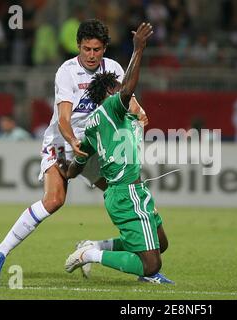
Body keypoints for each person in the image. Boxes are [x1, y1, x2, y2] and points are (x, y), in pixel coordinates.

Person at [0, 19, 148, 280]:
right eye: (86, 49)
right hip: (63, 145)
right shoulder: (67, 71)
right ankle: (0, 252)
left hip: (95, 146)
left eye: (96, 49)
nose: (91, 55)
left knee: (126, 197)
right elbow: (63, 118)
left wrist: (139, 112)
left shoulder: (114, 68)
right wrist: (72, 141)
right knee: (54, 201)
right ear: (78, 47)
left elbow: (127, 98)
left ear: (104, 47)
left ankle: (123, 258)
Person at [63, 22, 174, 284]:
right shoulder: (112, 106)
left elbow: (79, 163)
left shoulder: (93, 126)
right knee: (151, 264)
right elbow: (127, 87)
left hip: (129, 192)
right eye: (119, 90)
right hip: (126, 193)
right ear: (109, 93)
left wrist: (65, 172)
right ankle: (89, 255)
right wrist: (139, 50)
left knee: (160, 243)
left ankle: (95, 245)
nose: (127, 94)